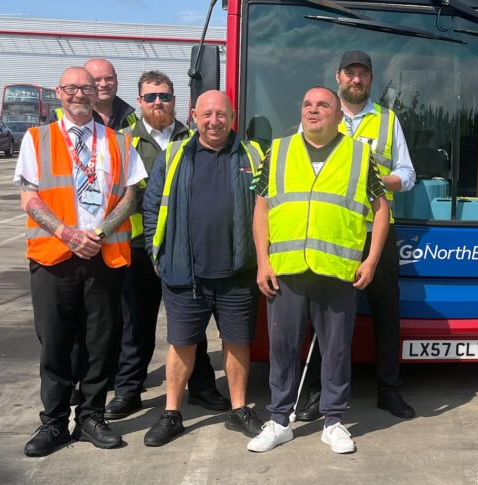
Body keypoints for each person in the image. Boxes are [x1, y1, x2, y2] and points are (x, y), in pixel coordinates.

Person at [248, 86, 389, 454]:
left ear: (339, 115)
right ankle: (279, 421)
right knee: (282, 347)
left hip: (337, 271)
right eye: (307, 104)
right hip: (287, 268)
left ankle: (333, 421)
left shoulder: (360, 155)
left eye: (323, 105)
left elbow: (381, 208)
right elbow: (261, 208)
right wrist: (262, 261)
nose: (314, 110)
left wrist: (371, 260)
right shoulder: (277, 151)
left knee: (337, 349)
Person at [17, 67, 144, 456]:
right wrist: (68, 234)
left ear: (96, 94)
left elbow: (130, 196)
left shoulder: (119, 142)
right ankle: (54, 423)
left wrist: (100, 232)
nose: (79, 94)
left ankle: (91, 417)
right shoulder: (37, 138)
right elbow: (30, 196)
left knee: (100, 342)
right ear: (59, 92)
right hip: (54, 257)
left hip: (104, 256)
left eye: (86, 88)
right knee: (55, 342)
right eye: (71, 88)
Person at [137, 90, 265, 446]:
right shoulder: (175, 154)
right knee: (181, 344)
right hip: (184, 270)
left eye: (221, 114)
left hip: (238, 272)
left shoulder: (253, 155)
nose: (214, 121)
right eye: (207, 114)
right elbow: (152, 207)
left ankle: (239, 409)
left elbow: (269, 209)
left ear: (233, 116)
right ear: (194, 116)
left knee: (237, 342)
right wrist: (155, 252)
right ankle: (172, 413)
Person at [297, 50, 416, 422]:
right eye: (350, 74)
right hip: (331, 235)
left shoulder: (387, 120)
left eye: (362, 74)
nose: (356, 80)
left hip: (375, 232)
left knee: (386, 313)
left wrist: (378, 183)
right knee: (323, 316)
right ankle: (318, 391)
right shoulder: (317, 117)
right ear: (338, 77)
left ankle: (389, 390)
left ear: (370, 80)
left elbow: (408, 174)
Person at [104, 71, 229, 421]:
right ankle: (129, 391)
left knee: (192, 324)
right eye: (150, 97)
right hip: (138, 248)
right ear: (139, 101)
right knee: (136, 323)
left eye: (164, 96)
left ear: (176, 101)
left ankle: (202, 387)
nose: (158, 102)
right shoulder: (123, 141)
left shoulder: (195, 138)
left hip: (183, 247)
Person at [66, 58, 141, 405]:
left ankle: (113, 382)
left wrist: (104, 231)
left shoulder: (132, 117)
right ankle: (76, 379)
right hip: (72, 242)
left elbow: (133, 189)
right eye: (96, 79)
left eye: (109, 78)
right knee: (77, 320)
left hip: (122, 239)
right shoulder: (68, 122)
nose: (103, 85)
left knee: (119, 317)